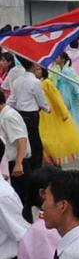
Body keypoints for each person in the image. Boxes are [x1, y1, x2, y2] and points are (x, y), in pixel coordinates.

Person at [38, 69, 79, 165]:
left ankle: (54, 162)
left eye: (39, 69)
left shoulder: (46, 83)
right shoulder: (37, 83)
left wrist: (64, 113)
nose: (37, 71)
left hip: (50, 115)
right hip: (40, 115)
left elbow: (57, 98)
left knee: (51, 140)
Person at [9, 60, 50, 173]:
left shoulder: (18, 80)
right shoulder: (35, 82)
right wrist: (48, 109)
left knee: (24, 142)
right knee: (35, 145)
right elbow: (41, 101)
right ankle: (34, 171)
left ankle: (24, 166)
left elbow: (12, 99)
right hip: (32, 116)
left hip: (20, 114)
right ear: (33, 65)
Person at [0, 90, 32, 221]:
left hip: (18, 163)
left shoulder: (8, 116)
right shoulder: (4, 115)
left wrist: (18, 163)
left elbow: (21, 139)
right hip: (13, 162)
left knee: (21, 203)